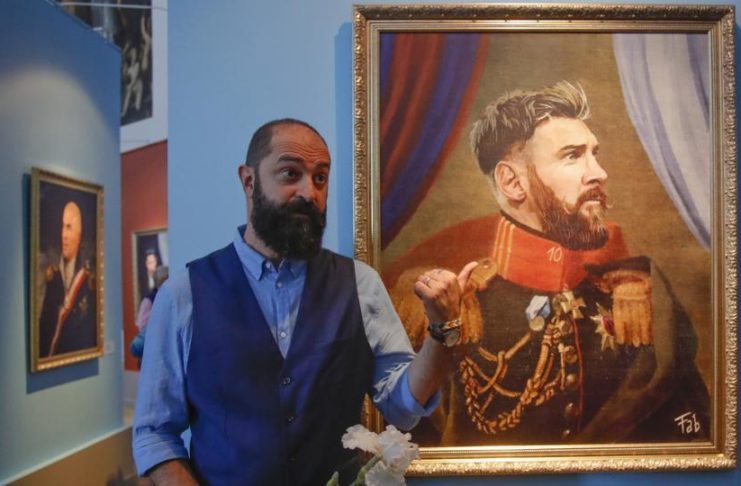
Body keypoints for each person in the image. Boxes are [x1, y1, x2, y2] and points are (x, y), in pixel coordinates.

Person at [132, 118, 472, 485]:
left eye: (320, 178)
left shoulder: (361, 285)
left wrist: (442, 330)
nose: (310, 193)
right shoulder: (183, 295)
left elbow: (402, 406)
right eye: (291, 174)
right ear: (249, 181)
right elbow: (154, 433)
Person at [387, 81, 709, 446]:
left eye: (594, 153)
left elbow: (689, 439)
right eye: (572, 156)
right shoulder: (450, 312)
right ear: (512, 182)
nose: (599, 173)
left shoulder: (636, 303)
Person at [38, 201, 96, 357]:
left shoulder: (87, 282)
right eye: (63, 227)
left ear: (78, 236)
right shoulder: (53, 277)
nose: (63, 235)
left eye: (69, 227)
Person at [130, 265, 169, 359]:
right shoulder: (149, 300)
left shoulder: (169, 297)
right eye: (163, 280)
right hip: (152, 346)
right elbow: (142, 325)